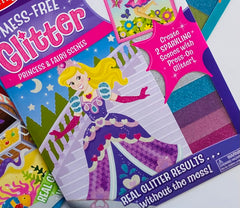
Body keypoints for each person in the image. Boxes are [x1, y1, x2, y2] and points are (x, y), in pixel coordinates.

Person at [50, 58, 179, 199]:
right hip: (95, 133)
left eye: (78, 78)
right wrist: (61, 133)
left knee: (136, 145)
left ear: (86, 74)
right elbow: (75, 120)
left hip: (112, 123)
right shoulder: (78, 101)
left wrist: (139, 96)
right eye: (72, 83)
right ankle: (112, 189)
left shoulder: (101, 91)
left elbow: (120, 99)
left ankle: (155, 165)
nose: (77, 84)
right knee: (101, 163)